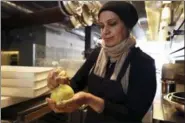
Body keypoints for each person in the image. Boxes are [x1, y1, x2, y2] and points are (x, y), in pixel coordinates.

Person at [46, 1, 157, 123]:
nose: (105, 32)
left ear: (128, 26)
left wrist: (89, 99)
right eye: (102, 26)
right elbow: (76, 84)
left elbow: (133, 115)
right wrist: (61, 83)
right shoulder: (97, 54)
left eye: (112, 24)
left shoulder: (143, 63)